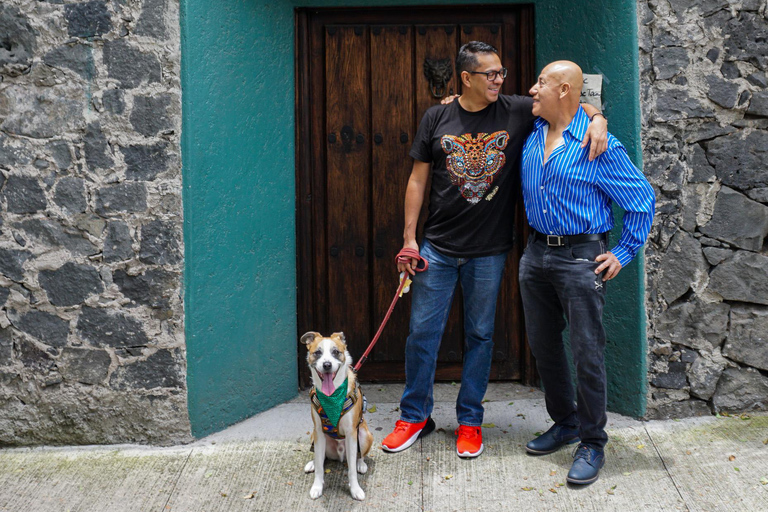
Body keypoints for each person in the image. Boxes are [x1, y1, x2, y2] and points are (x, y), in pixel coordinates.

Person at [381, 43, 607, 459]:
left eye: (501, 72)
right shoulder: (437, 116)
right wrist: (410, 239)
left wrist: (598, 119)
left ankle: (470, 421)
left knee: (480, 336)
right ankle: (414, 416)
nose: (500, 80)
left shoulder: (519, 110)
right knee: (421, 334)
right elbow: (417, 180)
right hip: (438, 247)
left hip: (489, 251)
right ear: (466, 78)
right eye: (491, 74)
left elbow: (572, 99)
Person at [519, 61, 655, 484]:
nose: (532, 88)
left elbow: (641, 198)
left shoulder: (600, 145)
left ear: (563, 90)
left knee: (587, 352)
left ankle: (593, 443)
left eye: (541, 82)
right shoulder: (533, 133)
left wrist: (623, 252)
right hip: (536, 253)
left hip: (581, 257)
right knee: (543, 346)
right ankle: (566, 422)